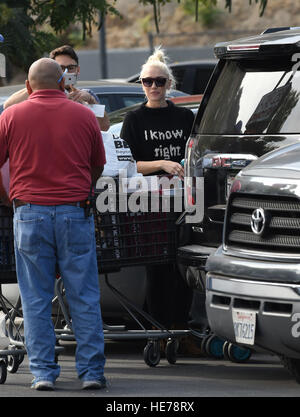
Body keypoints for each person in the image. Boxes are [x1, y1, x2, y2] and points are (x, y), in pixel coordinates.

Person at [0, 58, 106, 391]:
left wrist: (9, 199)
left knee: (34, 298)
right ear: (62, 83)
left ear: (28, 87)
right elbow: (97, 165)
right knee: (84, 295)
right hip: (75, 212)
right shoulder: (84, 116)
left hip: (29, 212)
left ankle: (43, 372)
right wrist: (82, 189)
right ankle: (91, 373)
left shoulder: (11, 117)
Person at [120, 47, 195, 339]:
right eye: (147, 81)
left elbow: (195, 154)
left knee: (182, 268)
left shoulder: (185, 117)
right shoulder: (134, 120)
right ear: (141, 84)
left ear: (169, 85)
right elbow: (128, 164)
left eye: (159, 82)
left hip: (185, 201)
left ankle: (182, 330)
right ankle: (157, 330)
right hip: (150, 202)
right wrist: (162, 163)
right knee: (157, 268)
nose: (153, 87)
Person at [3, 44, 110, 131]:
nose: (65, 72)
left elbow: (104, 127)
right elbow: (7, 105)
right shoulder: (40, 96)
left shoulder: (87, 95)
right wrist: (40, 83)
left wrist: (91, 101)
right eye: (61, 68)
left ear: (78, 70)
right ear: (51, 69)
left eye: (71, 68)